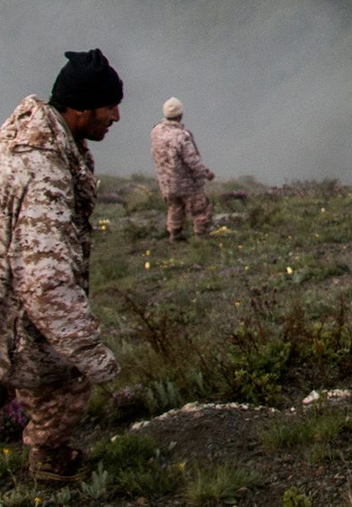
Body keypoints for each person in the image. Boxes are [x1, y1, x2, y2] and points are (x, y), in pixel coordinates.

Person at [0, 49, 123, 484]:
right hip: (15, 307)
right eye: (109, 106)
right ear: (80, 109)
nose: (117, 116)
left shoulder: (26, 139)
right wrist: (90, 354)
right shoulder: (45, 174)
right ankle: (49, 460)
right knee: (64, 373)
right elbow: (46, 282)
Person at [149, 97, 215, 241]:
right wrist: (205, 173)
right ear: (180, 115)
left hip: (166, 182)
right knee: (199, 208)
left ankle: (175, 235)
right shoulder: (181, 136)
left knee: (174, 207)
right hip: (186, 182)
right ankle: (201, 237)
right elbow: (192, 160)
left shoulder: (156, 131)